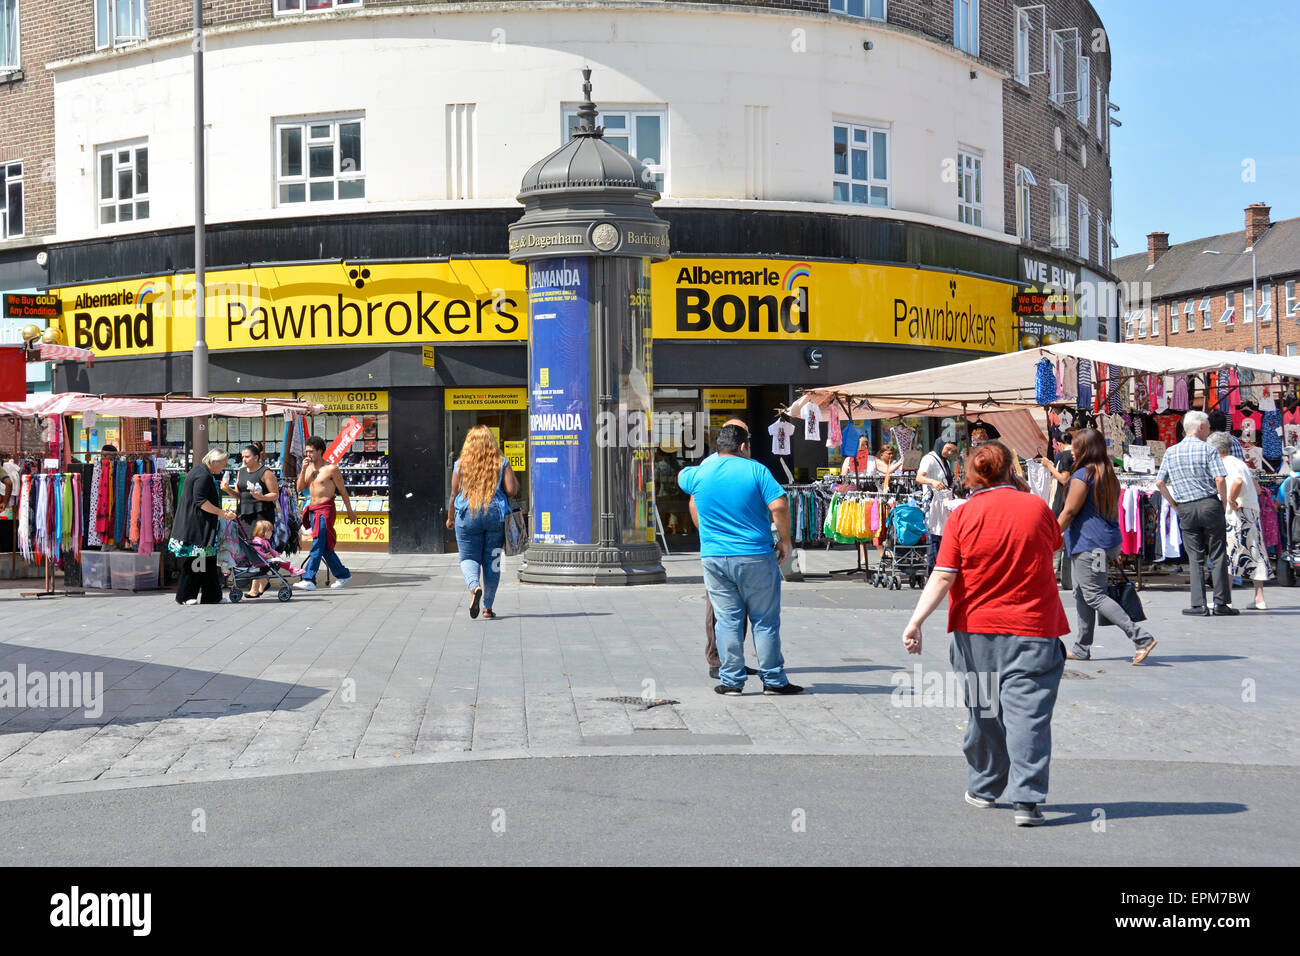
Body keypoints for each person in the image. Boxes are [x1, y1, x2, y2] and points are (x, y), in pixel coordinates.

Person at [901, 441, 1069, 827]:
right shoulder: (1037, 508)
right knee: (1029, 718)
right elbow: (1054, 545)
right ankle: (1026, 800)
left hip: (976, 633)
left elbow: (944, 575)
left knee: (985, 713)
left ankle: (985, 786)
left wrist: (916, 621)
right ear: (1012, 469)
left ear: (971, 474)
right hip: (1034, 629)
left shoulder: (963, 514)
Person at [678, 424, 801, 696]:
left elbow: (684, 482)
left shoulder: (699, 474)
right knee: (765, 620)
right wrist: (785, 540)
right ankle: (773, 680)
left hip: (714, 558)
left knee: (727, 620)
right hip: (755, 555)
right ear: (743, 446)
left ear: (718, 448)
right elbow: (779, 504)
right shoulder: (756, 470)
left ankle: (732, 681)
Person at [1057, 429, 1158, 664]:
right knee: (1082, 593)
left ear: (1084, 449)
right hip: (1104, 542)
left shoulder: (1082, 476)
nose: (1071, 450)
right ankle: (1082, 647)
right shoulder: (1107, 474)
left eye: (1075, 446)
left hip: (1090, 545)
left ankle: (1140, 638)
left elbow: (1070, 511)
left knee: (1094, 594)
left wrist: (1050, 534)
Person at [1156, 410, 1234, 616]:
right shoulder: (1208, 450)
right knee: (1218, 554)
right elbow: (1219, 479)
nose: (1209, 430)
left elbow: (1159, 482)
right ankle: (1221, 603)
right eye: (1208, 427)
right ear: (1200, 427)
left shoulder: (1171, 451)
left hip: (1186, 507)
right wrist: (1223, 503)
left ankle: (1198, 604)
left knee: (1195, 556)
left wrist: (1174, 505)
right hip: (1209, 504)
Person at [701, 417, 757, 680]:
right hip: (721, 550)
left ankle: (733, 659)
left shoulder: (749, 466)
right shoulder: (710, 465)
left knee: (739, 609)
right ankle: (718, 660)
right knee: (719, 608)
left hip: (742, 549)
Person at [445, 425, 518, 619]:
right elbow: (511, 490)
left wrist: (451, 517)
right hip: (495, 514)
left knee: (468, 557)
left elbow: (454, 494)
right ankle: (487, 608)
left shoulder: (460, 464)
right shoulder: (501, 462)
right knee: (492, 562)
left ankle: (474, 586)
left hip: (467, 514)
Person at [1209, 432, 1273, 610]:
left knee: (1230, 553)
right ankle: (1259, 598)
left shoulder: (1226, 463)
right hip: (1251, 509)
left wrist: (1230, 499)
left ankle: (1225, 599)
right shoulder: (1240, 463)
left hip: (1237, 512)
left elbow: (1237, 481)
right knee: (1255, 551)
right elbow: (1257, 488)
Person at [168, 448, 238, 605]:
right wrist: (220, 513)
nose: (224, 467)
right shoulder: (203, 475)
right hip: (197, 527)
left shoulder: (200, 471)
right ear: (214, 462)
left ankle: (212, 596)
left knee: (207, 563)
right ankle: (186, 596)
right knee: (196, 562)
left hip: (201, 526)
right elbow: (201, 501)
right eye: (223, 463)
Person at [294, 435, 356, 591]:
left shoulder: (331, 469)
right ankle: (343, 574)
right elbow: (300, 487)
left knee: (317, 543)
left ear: (320, 451)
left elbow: (343, 490)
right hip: (313, 510)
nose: (308, 455)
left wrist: (350, 511)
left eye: (311, 451)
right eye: (306, 452)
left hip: (326, 509)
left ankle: (309, 578)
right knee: (325, 545)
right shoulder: (308, 468)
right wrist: (302, 470)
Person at [223, 442, 280, 598]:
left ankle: (255, 587)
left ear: (256, 457)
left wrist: (260, 497)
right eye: (242, 457)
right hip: (245, 514)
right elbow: (239, 493)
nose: (244, 460)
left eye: (247, 457)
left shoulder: (265, 472)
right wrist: (227, 489)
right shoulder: (241, 471)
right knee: (248, 548)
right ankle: (263, 580)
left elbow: (275, 494)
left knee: (258, 548)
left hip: (261, 514)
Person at [1036, 425, 1077, 589]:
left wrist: (1049, 465)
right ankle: (1066, 579)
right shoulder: (1076, 454)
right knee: (1065, 541)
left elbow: (1064, 479)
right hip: (1069, 500)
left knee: (1055, 538)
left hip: (1061, 501)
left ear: (1059, 443)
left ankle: (1050, 576)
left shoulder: (1065, 455)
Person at [916, 438, 957, 571]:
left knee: (944, 533)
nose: (949, 453)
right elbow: (919, 477)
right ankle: (933, 567)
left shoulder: (946, 462)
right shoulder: (929, 459)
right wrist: (932, 482)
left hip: (944, 500)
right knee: (934, 533)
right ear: (940, 445)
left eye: (952, 450)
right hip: (933, 500)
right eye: (948, 449)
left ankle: (942, 564)